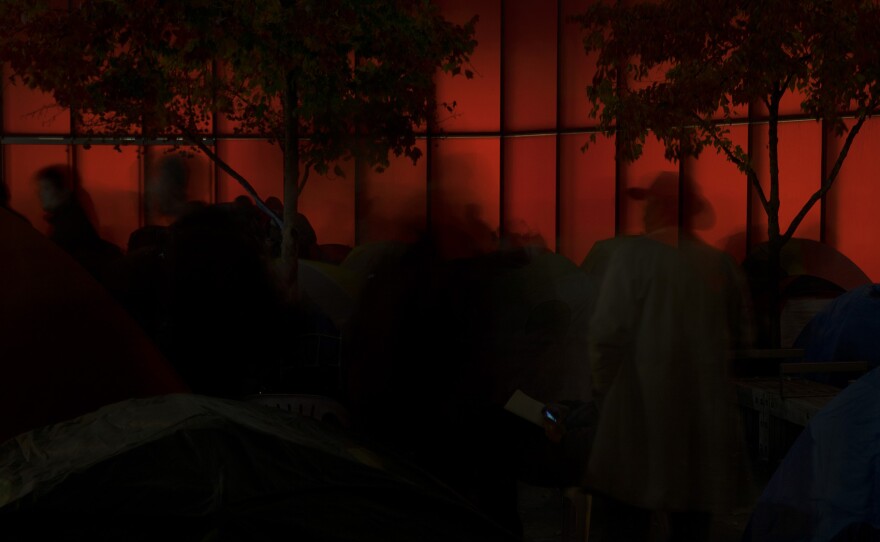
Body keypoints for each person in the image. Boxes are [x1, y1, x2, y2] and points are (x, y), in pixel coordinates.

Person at [586, 172, 754, 541]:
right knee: (691, 526)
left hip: (635, 423)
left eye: (649, 203)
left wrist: (603, 396)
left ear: (662, 207)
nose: (644, 212)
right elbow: (741, 339)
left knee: (622, 525)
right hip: (698, 431)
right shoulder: (719, 266)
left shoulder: (631, 258)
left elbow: (606, 337)